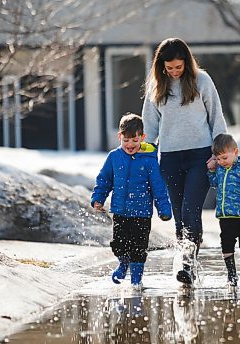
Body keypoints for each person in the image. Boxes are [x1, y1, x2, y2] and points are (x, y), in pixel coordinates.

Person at [142, 37, 227, 285]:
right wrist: (143, 157)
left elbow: (216, 118)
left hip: (200, 157)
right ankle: (186, 265)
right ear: (162, 66)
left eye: (178, 67)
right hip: (169, 158)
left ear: (186, 63)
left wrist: (218, 152)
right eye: (169, 68)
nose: (174, 72)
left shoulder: (202, 81)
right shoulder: (157, 86)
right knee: (180, 216)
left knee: (191, 210)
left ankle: (187, 263)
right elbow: (150, 127)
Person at [91, 113, 172, 288]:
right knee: (118, 244)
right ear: (119, 137)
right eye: (126, 140)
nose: (130, 145)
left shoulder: (149, 160)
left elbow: (158, 186)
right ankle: (123, 262)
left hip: (142, 213)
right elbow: (104, 180)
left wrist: (164, 208)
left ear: (142, 138)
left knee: (139, 247)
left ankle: (136, 279)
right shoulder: (114, 157)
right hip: (120, 211)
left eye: (135, 141)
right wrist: (98, 198)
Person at [207, 133, 240, 288]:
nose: (221, 162)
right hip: (226, 215)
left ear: (235, 152)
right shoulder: (220, 169)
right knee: (226, 243)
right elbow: (214, 184)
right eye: (218, 159)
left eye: (224, 158)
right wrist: (211, 171)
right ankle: (231, 273)